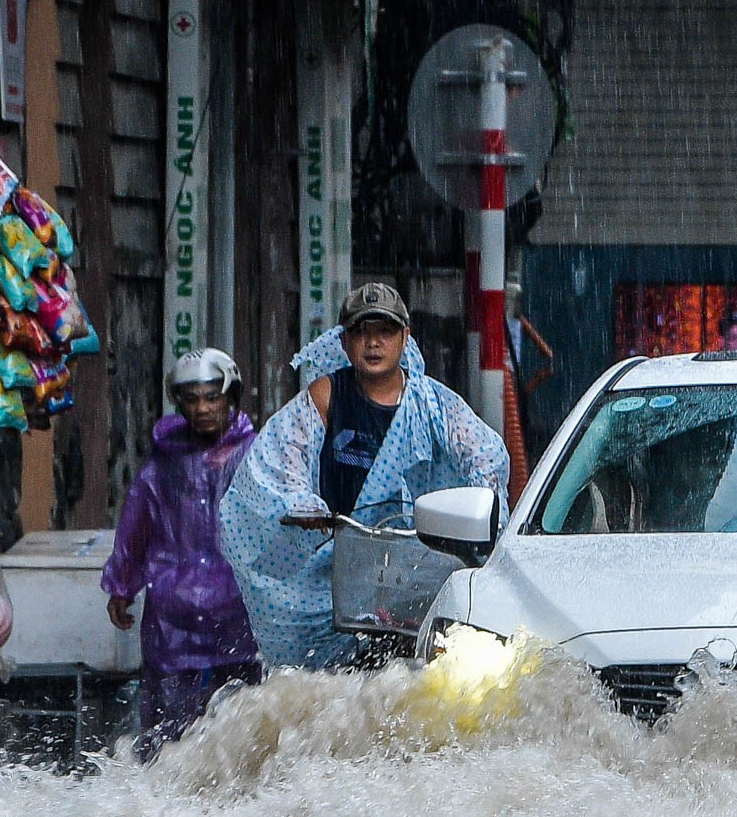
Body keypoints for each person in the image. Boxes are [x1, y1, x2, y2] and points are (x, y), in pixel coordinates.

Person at [219, 283, 509, 668]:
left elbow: (484, 455)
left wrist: (485, 505)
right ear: (344, 341)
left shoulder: (434, 404)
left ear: (405, 338)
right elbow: (279, 457)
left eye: (385, 331)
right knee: (308, 691)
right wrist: (302, 505)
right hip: (334, 573)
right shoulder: (326, 395)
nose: (373, 343)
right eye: (361, 332)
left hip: (413, 569)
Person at [102, 348, 260, 755]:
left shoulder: (255, 455)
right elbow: (137, 522)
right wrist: (122, 585)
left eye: (212, 397)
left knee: (243, 719)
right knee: (166, 729)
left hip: (239, 609)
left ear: (231, 397)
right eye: (192, 399)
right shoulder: (164, 463)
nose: (203, 408)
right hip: (174, 612)